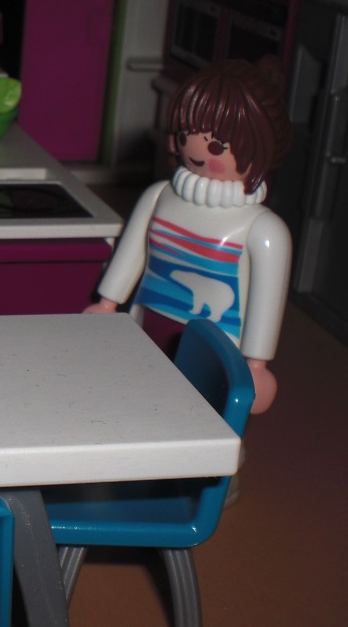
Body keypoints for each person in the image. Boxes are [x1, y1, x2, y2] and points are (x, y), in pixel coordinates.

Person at [85, 56, 292, 414]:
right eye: (186, 135)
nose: (194, 149)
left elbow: (266, 302)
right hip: (146, 324)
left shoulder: (263, 229)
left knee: (197, 413)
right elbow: (131, 254)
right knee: (133, 399)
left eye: (216, 146)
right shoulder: (159, 197)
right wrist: (108, 302)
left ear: (258, 146)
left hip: (217, 346)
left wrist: (256, 364)